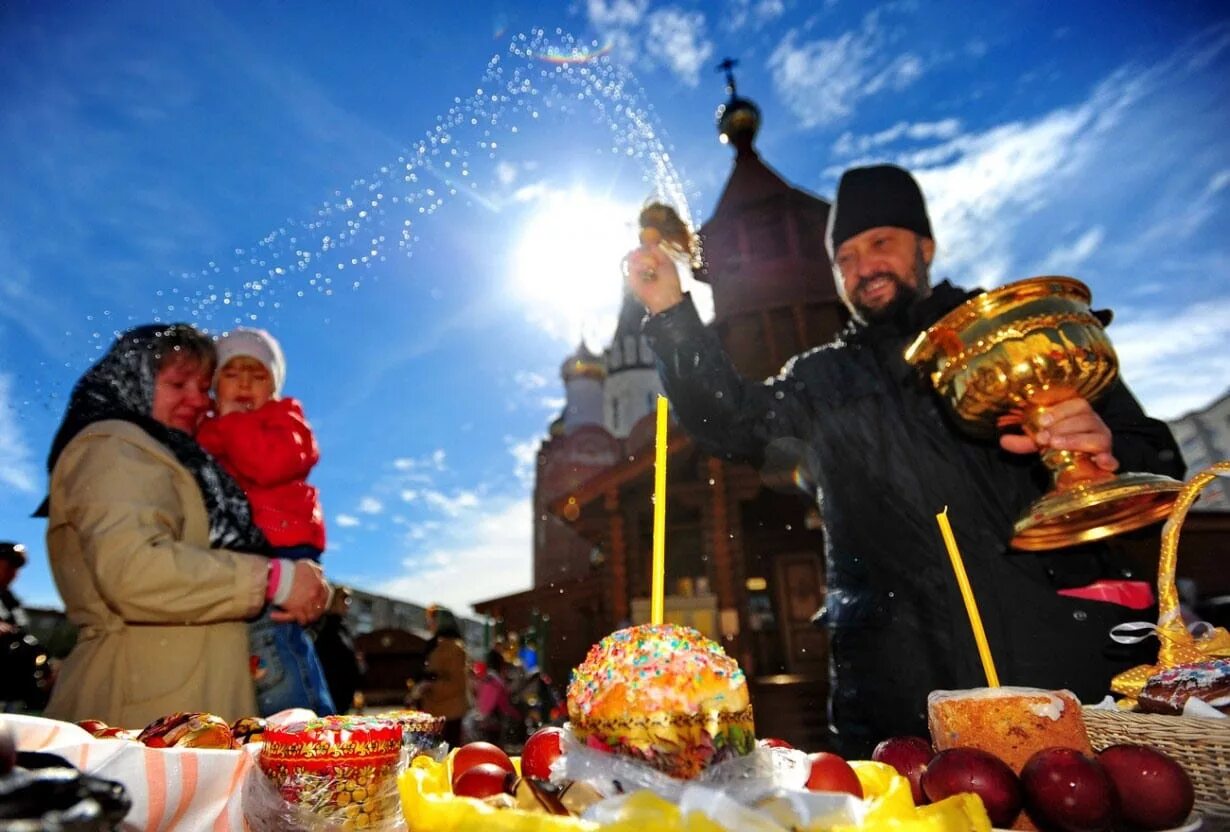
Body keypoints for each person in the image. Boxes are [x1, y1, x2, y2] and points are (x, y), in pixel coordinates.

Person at [623, 166, 1185, 756]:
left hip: (1069, 676)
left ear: (925, 245)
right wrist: (668, 311)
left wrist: (1103, 451)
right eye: (845, 257)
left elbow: (1155, 457)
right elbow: (730, 421)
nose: (863, 267)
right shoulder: (822, 378)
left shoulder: (1017, 335)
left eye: (880, 243)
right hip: (899, 703)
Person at [38, 324, 330, 728]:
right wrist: (275, 579)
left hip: (181, 702)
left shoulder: (181, 457)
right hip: (140, 711)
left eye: (203, 387)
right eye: (178, 384)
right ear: (133, 378)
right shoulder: (115, 444)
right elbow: (134, 571)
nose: (197, 400)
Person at [197, 327, 334, 716]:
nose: (244, 383)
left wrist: (232, 422)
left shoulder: (284, 419)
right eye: (231, 373)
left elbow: (268, 465)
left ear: (273, 387)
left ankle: (307, 731)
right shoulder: (207, 429)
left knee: (276, 647)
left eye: (258, 376)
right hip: (246, 549)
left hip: (282, 544)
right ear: (213, 384)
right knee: (253, 654)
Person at [0, 541, 51, 712]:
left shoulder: (10, 600)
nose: (13, 572)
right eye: (9, 564)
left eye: (16, 567)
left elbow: (21, 630)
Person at [413, 604, 470, 747]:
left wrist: (428, 686)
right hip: (436, 713)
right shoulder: (436, 644)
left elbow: (456, 683)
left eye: (432, 620)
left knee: (446, 757)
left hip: (449, 714)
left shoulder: (454, 648)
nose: (429, 624)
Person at [312, 585, 363, 714]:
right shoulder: (322, 627)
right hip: (331, 697)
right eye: (344, 598)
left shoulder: (343, 627)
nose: (347, 604)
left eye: (349, 599)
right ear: (332, 599)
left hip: (345, 698)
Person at [470, 649, 521, 747]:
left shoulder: (485, 679)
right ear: (501, 665)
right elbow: (503, 705)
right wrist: (516, 715)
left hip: (480, 721)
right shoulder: (496, 682)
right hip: (492, 724)